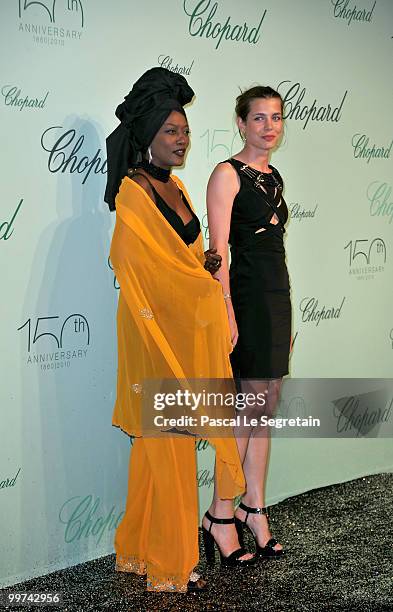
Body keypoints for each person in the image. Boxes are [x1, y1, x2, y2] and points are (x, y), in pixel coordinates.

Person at [104, 68, 253, 594]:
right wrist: (195, 276)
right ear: (147, 136)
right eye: (170, 130)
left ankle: (140, 550)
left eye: (185, 130)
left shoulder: (178, 187)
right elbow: (132, 262)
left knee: (158, 449)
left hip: (184, 335)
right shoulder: (132, 193)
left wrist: (205, 262)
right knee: (165, 447)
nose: (181, 139)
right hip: (154, 340)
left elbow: (184, 258)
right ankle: (170, 563)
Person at [206, 85, 291, 558]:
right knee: (249, 406)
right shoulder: (226, 174)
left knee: (267, 402)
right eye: (259, 118)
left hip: (277, 293)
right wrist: (227, 311)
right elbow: (217, 253)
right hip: (247, 296)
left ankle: (252, 507)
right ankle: (220, 512)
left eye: (276, 117)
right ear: (241, 123)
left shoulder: (274, 175)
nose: (268, 126)